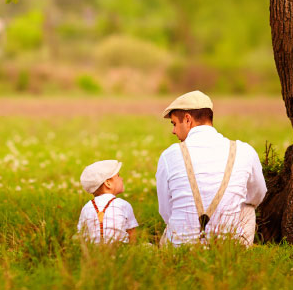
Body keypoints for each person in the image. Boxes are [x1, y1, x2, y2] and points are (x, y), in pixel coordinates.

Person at [156, 91, 267, 246]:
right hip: (228, 247)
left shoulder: (169, 156)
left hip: (181, 248)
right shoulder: (244, 151)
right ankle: (238, 250)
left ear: (188, 119)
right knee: (248, 206)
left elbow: (166, 211)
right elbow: (258, 195)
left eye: (174, 123)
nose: (173, 131)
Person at [77, 160, 138, 243]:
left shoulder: (86, 207)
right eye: (118, 176)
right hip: (121, 249)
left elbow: (82, 234)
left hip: (93, 251)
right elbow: (132, 234)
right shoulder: (123, 205)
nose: (122, 178)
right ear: (108, 183)